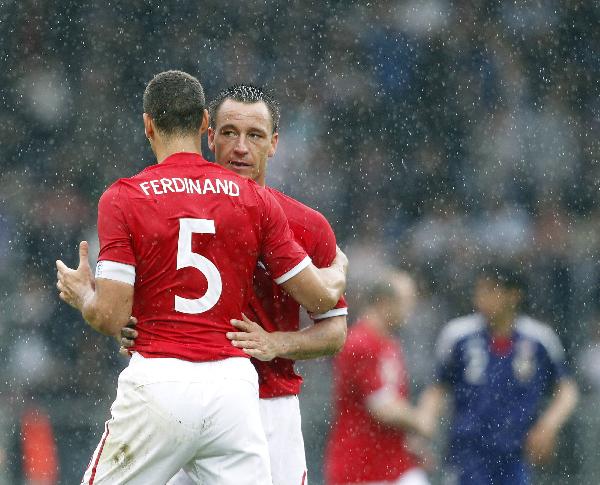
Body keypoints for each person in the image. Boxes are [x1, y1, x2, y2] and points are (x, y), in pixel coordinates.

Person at [55, 70, 347, 485]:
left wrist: (275, 343)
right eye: (230, 132)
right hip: (231, 392)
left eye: (255, 135)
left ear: (275, 143)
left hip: (253, 401)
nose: (241, 147)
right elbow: (317, 295)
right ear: (208, 132)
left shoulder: (135, 196)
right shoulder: (254, 203)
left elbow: (334, 329)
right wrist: (338, 274)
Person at [419, 263, 579, 485]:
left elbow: (567, 389)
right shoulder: (458, 336)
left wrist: (548, 426)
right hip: (467, 453)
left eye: (491, 290)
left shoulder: (539, 339)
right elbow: (437, 387)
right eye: (480, 290)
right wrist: (423, 428)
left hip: (516, 454)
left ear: (514, 295)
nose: (482, 298)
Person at [324, 271, 432, 485]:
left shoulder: (389, 343)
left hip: (391, 464)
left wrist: (407, 442)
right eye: (407, 301)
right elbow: (383, 407)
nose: (411, 309)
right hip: (362, 468)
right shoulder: (361, 343)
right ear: (384, 303)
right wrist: (420, 421)